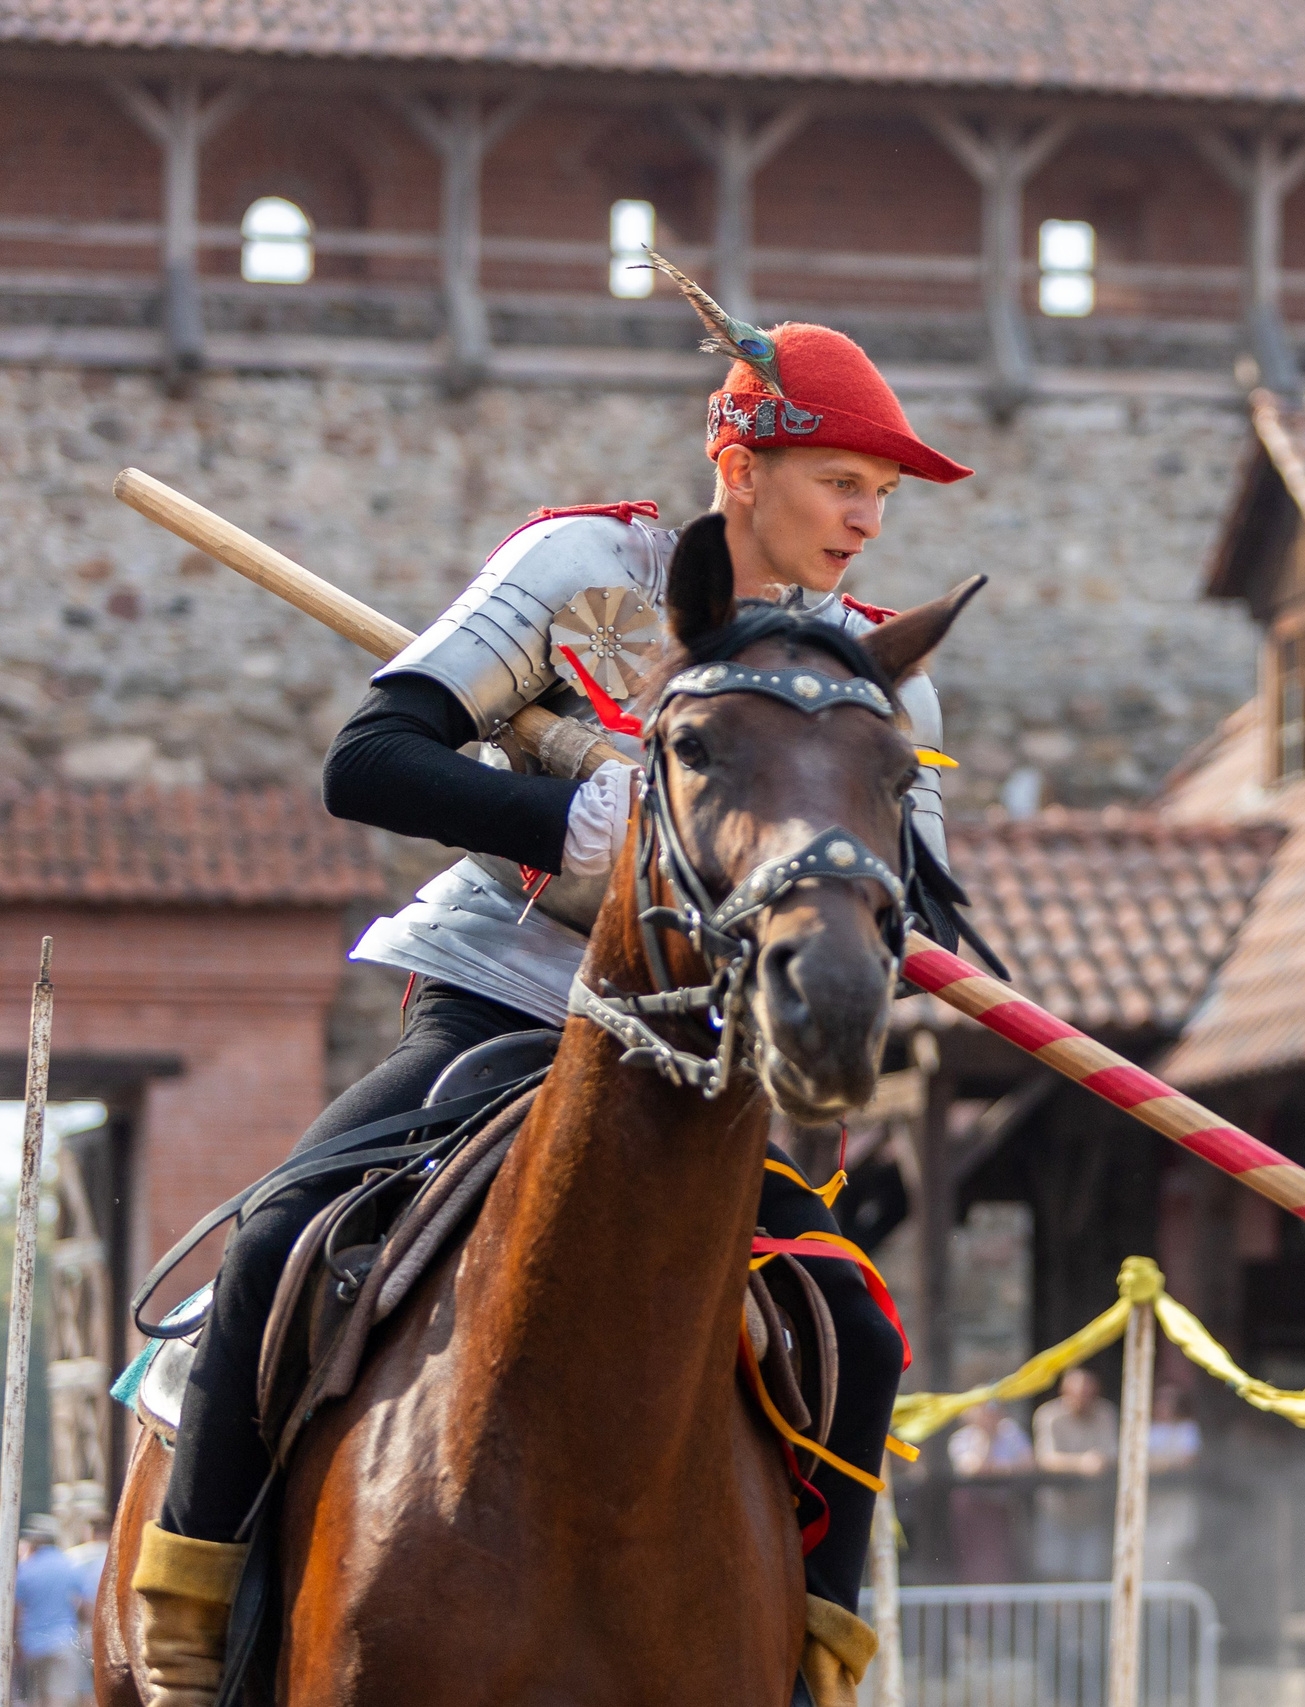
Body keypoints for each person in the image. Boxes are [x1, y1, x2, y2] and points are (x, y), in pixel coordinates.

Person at [129, 259, 978, 1707]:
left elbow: (918, 900)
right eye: (842, 481)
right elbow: (369, 760)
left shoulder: (875, 671)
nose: (866, 519)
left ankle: (821, 1651)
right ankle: (188, 1599)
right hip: (505, 1003)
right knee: (279, 1237)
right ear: (741, 464)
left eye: (883, 495)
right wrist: (569, 819)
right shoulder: (588, 566)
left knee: (855, 1326)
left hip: (709, 1066)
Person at [1030, 1368, 1118, 1581]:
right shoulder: (1048, 1415)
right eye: (1077, 1393)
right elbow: (1045, 1459)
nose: (1082, 1399)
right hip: (1056, 1511)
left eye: (1087, 1394)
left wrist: (1099, 1462)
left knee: (1089, 1577)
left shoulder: (1105, 1413)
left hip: (1092, 1512)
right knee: (1055, 1575)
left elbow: (1112, 1454)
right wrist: (1081, 1463)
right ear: (1064, 1391)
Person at [948, 1400, 1034, 1584]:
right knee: (974, 1562)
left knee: (1002, 1562)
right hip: (973, 1508)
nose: (990, 1416)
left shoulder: (1011, 1432)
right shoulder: (962, 1438)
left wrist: (1000, 1469)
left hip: (1003, 1506)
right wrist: (986, 1438)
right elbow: (972, 1469)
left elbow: (1027, 1464)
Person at [15, 1516, 92, 1707]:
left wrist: (16, 1642)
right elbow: (86, 1606)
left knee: (35, 1699)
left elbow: (17, 1611)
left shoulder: (25, 1569)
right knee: (59, 1698)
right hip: (63, 1641)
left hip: (31, 1645)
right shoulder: (69, 1565)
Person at [1143, 1383, 1201, 1581]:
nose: (1164, 1406)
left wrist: (1161, 1464)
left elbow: (1187, 1460)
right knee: (1151, 1553)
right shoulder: (1146, 1430)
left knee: (1177, 1552)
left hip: (1177, 1503)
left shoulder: (1187, 1429)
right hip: (1152, 1503)